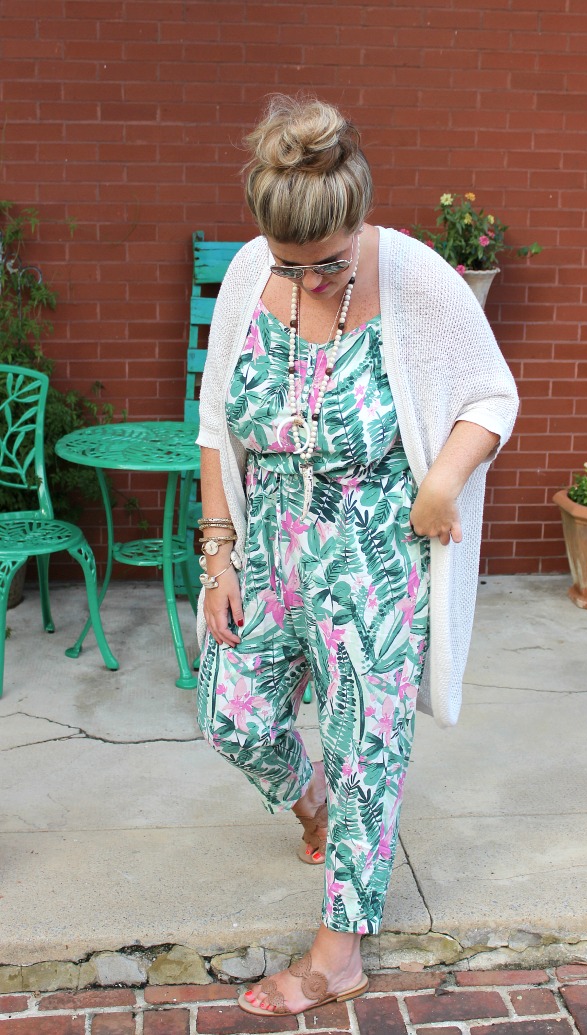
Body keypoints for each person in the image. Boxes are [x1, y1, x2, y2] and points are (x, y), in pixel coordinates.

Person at [195, 95, 518, 1018]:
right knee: (232, 715)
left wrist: (442, 483)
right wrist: (219, 556)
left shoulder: (416, 276)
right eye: (292, 266)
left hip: (373, 560)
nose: (311, 281)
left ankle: (338, 954)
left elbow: (491, 395)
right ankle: (314, 807)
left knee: (365, 750)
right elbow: (216, 423)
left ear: (359, 219)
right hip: (270, 550)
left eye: (331, 262)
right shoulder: (250, 273)